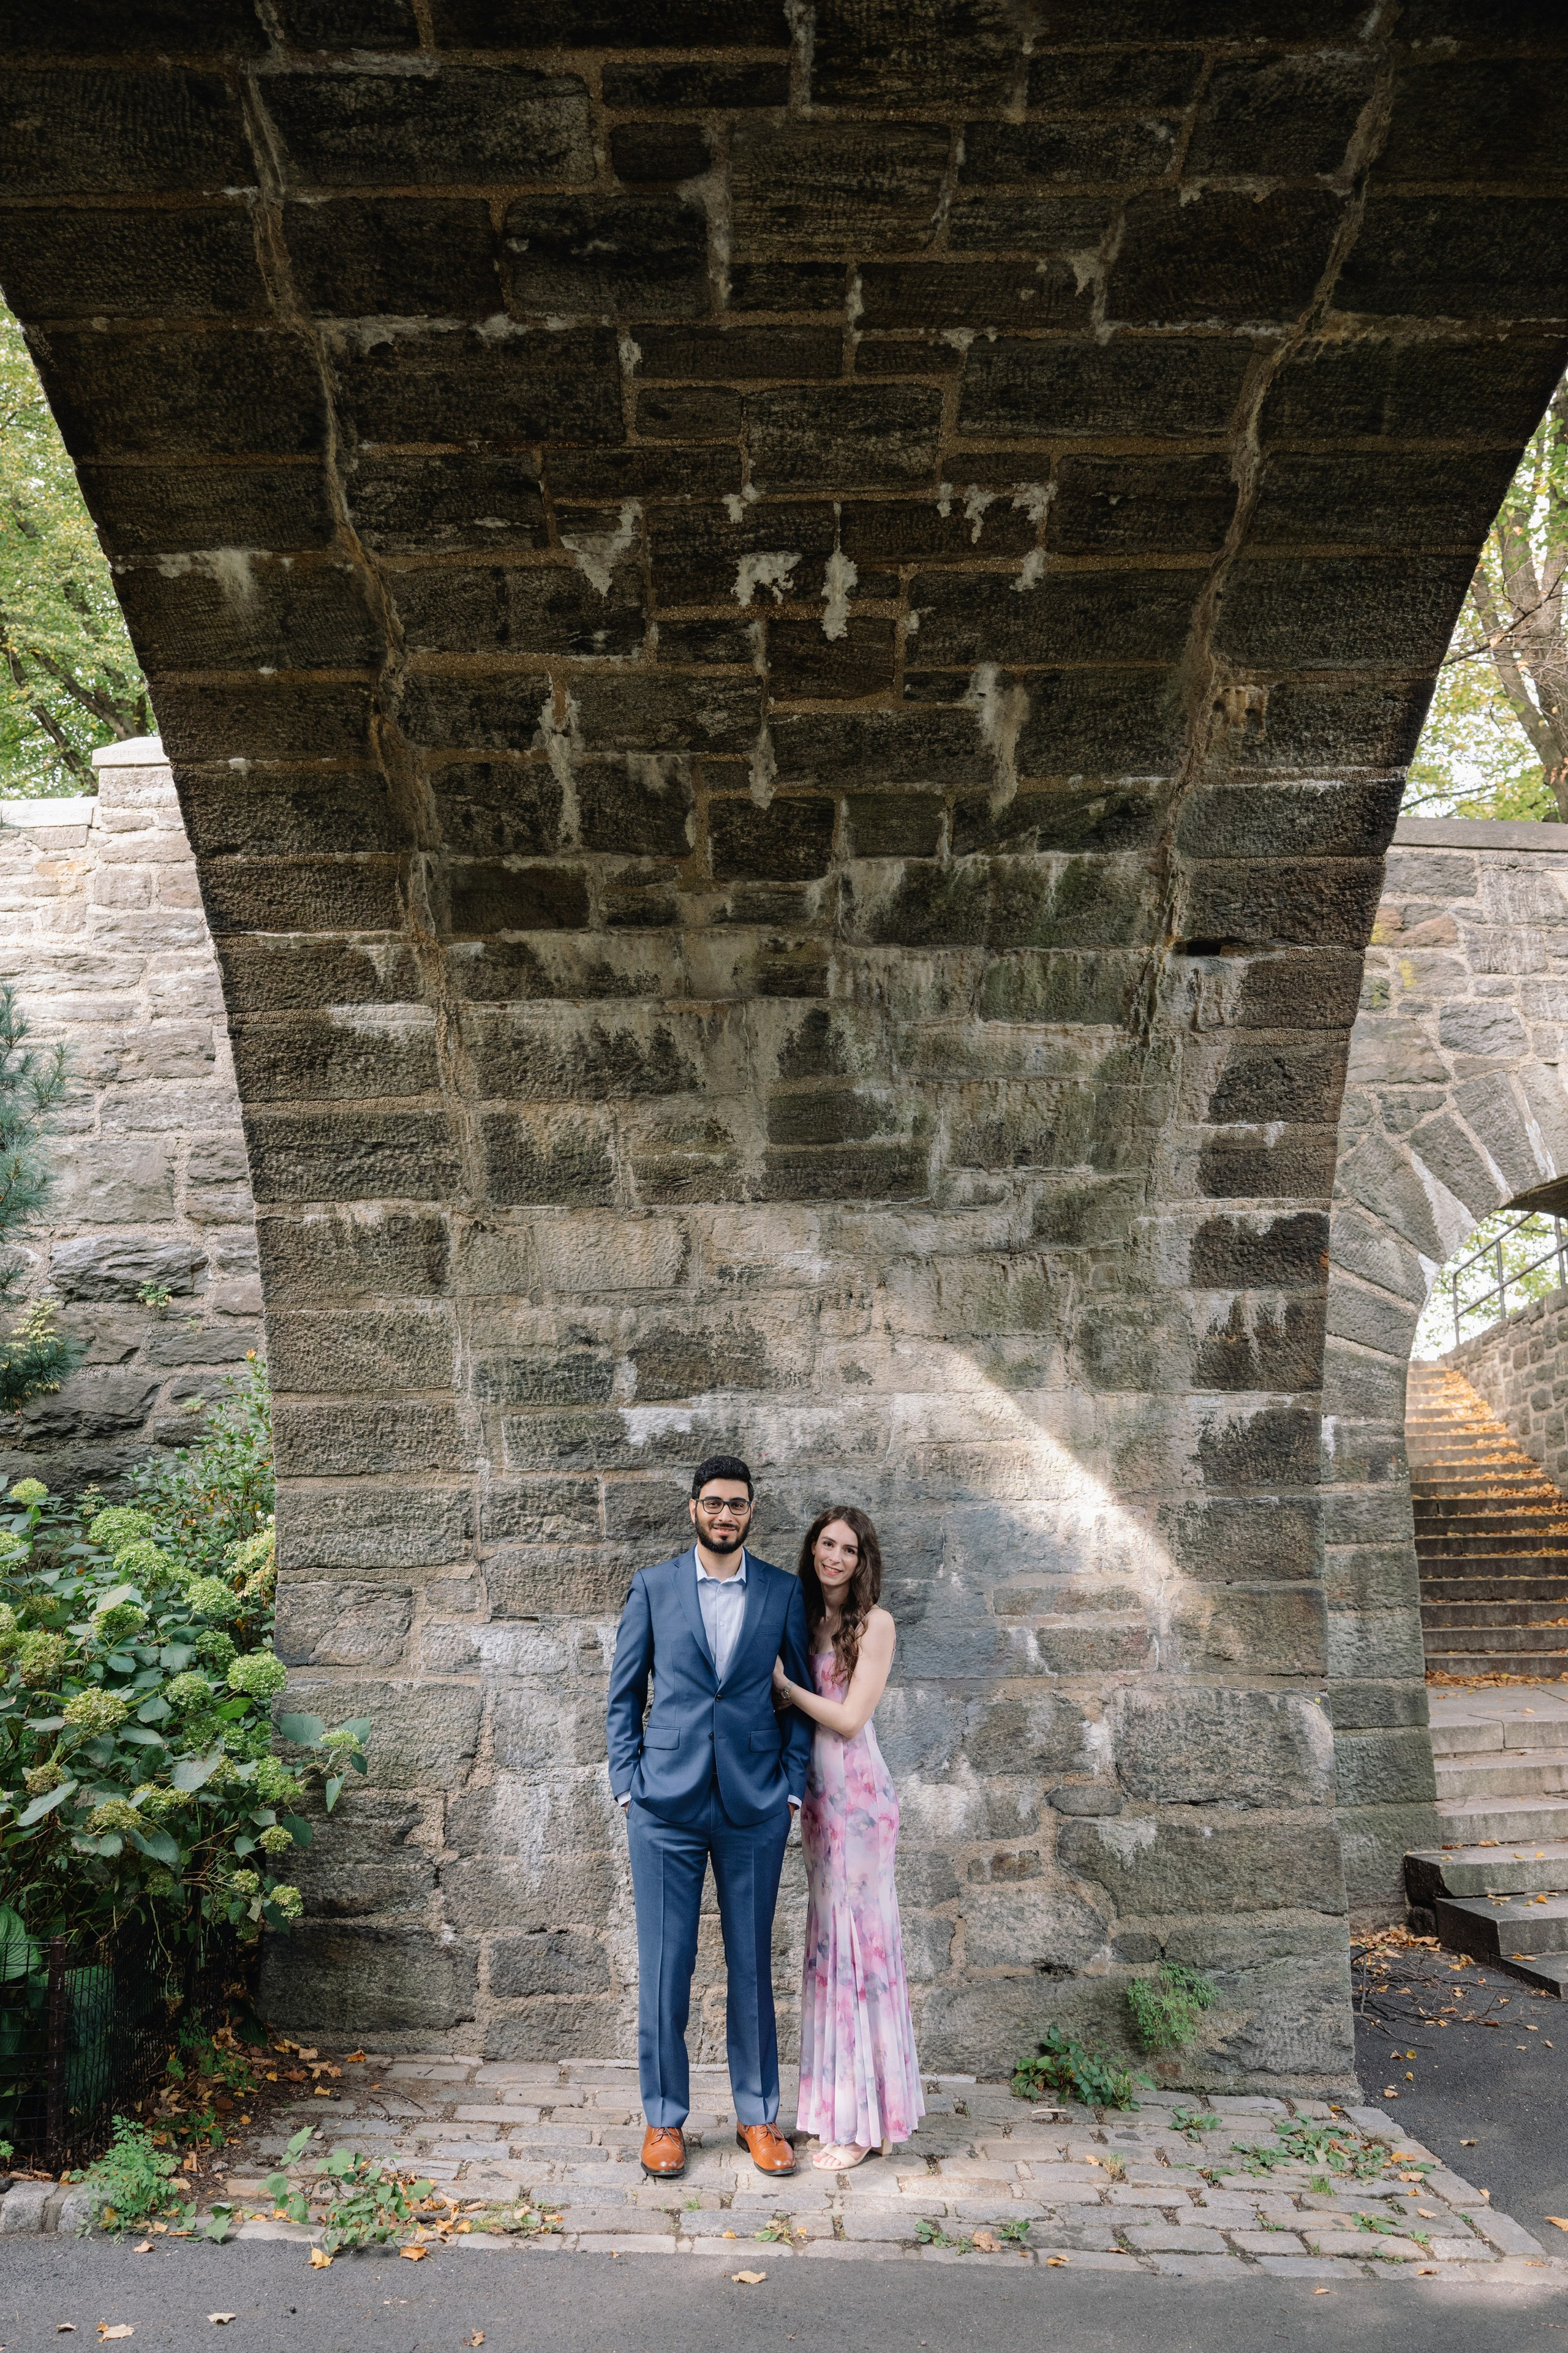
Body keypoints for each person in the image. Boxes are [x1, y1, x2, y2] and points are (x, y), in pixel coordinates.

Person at [606, 1454, 813, 2183]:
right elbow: (623, 1694)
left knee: (751, 1966)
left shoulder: (782, 1592)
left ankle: (758, 2116)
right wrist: (627, 1786)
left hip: (754, 1805)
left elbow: (798, 1697)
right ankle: (664, 2119)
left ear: (752, 1512)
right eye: (715, 1502)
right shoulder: (653, 1587)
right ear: (693, 1507)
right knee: (667, 1964)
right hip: (664, 1806)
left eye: (738, 1504)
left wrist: (791, 1788)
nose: (726, 1515)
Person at [772, 1505, 925, 2170]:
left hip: (860, 1799)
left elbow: (850, 1717)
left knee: (862, 1950)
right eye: (827, 1543)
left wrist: (785, 1686)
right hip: (818, 1800)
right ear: (812, 1549)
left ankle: (865, 2124)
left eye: (849, 1549)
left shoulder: (875, 1624)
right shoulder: (806, 1619)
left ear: (863, 1561)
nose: (835, 1556)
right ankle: (841, 2108)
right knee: (829, 1948)